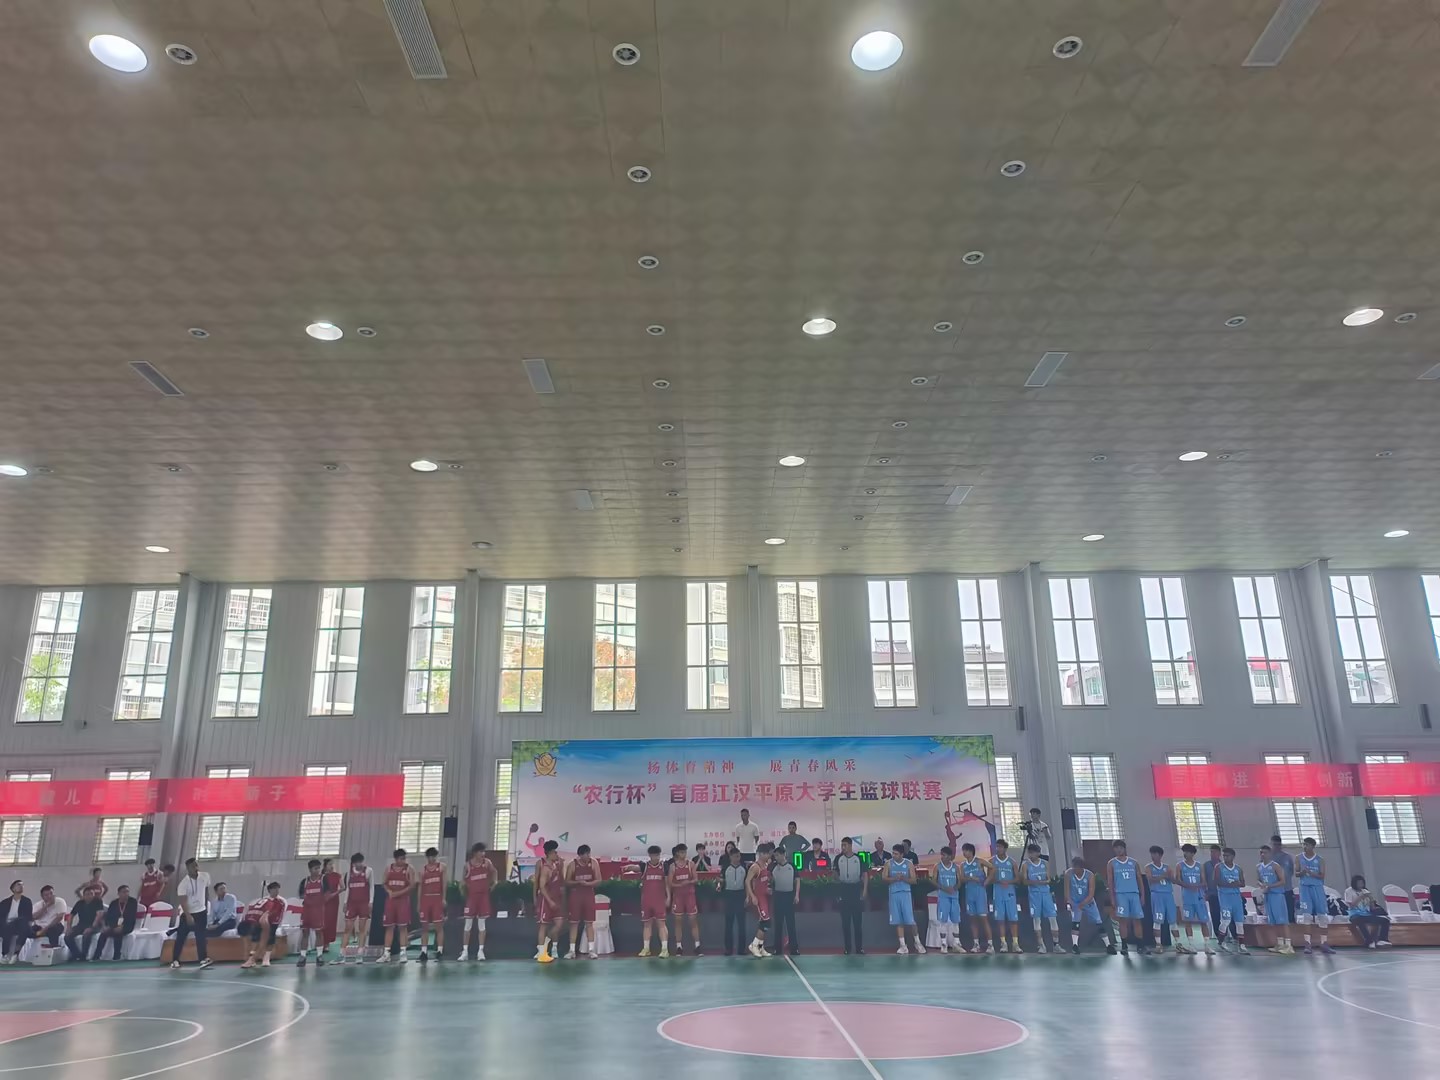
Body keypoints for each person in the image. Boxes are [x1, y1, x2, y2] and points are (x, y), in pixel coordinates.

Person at [1066, 857, 1116, 955]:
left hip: (1088, 902)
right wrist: (1070, 902)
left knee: (1098, 922)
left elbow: (1091, 893)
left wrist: (1083, 903)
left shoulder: (1090, 875)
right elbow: (1067, 891)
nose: (1074, 869)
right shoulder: (1068, 873)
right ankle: (1075, 946)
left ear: (1081, 867)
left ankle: (1108, 945)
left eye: (1077, 867)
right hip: (1075, 902)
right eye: (1073, 867)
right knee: (1075, 923)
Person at [1294, 837, 1333, 955]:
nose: (1305, 847)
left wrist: (1310, 873)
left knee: (1322, 916)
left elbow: (1322, 876)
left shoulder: (1320, 859)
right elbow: (1296, 874)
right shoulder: (1298, 858)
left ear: (1313, 846)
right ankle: (1307, 944)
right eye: (1304, 844)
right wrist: (1302, 872)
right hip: (1305, 888)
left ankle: (1324, 943)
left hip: (1317, 888)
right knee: (1306, 916)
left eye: (1307, 845)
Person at [884, 842, 925, 954]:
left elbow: (914, 880)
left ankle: (917, 943)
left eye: (896, 854)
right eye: (893, 853)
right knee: (898, 921)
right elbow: (884, 878)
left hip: (905, 894)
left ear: (902, 854)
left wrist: (903, 879)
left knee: (910, 920)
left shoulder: (908, 864)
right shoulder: (888, 864)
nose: (893, 855)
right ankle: (903, 945)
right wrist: (894, 878)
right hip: (894, 894)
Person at [172, 858, 213, 969]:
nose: (195, 868)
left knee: (201, 936)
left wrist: (205, 906)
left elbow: (206, 892)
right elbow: (183, 901)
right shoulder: (183, 884)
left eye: (196, 865)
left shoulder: (205, 876)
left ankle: (203, 959)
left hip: (201, 912)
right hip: (188, 913)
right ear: (188, 868)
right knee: (181, 937)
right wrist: (188, 915)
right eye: (192, 866)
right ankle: (175, 960)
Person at [1106, 840, 1145, 956]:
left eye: (1121, 848)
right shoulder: (1111, 863)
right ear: (1114, 849)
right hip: (1120, 894)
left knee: (1137, 920)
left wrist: (1142, 895)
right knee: (1123, 921)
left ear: (1124, 849)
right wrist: (1112, 898)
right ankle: (1124, 946)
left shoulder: (1134, 862)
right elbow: (1110, 882)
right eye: (1116, 848)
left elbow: (1139, 879)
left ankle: (1140, 945)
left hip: (1134, 894)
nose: (1119, 850)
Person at [1176, 845, 1216, 955]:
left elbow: (1204, 882)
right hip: (1187, 898)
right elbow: (1177, 880)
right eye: (1184, 852)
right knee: (1188, 921)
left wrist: (1198, 886)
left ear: (1193, 854)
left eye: (1187, 852)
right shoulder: (1180, 865)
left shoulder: (1199, 866)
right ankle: (1191, 945)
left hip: (1199, 897)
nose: (1185, 854)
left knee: (1203, 921)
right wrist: (1187, 885)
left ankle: (1207, 946)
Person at [380, 848, 415, 963]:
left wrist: (398, 893)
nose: (403, 861)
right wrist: (389, 891)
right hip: (391, 902)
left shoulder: (409, 869)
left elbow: (412, 885)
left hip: (403, 901)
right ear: (396, 859)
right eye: (401, 859)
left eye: (404, 858)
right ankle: (386, 954)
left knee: (402, 927)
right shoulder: (389, 868)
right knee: (389, 927)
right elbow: (384, 883)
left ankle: (403, 953)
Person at [1257, 844, 1294, 955]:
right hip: (1268, 896)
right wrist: (1261, 885)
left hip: (1277, 895)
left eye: (1265, 852)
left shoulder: (1275, 866)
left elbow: (1282, 881)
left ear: (1270, 854)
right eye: (1261, 852)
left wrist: (1270, 886)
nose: (1263, 854)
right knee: (1274, 922)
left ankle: (1289, 945)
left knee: (1282, 921)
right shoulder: (1258, 867)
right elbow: (1259, 880)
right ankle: (1280, 944)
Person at [462, 842, 496, 961]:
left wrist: (494, 883)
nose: (483, 854)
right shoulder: (467, 866)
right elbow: (463, 881)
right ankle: (465, 951)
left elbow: (494, 872)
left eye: (484, 851)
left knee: (482, 925)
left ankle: (480, 951)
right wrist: (465, 892)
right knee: (468, 925)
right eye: (481, 852)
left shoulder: (487, 863)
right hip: (472, 898)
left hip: (483, 898)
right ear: (475, 853)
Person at [239, 882, 285, 969]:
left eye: (277, 889)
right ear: (269, 890)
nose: (276, 891)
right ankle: (251, 959)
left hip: (273, 922)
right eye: (274, 889)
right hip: (261, 922)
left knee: (270, 940)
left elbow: (280, 913)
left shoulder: (281, 901)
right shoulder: (264, 900)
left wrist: (276, 923)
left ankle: (266, 958)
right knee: (255, 940)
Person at [534, 840, 566, 963]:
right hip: (546, 901)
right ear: (550, 853)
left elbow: (561, 879)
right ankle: (542, 953)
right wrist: (549, 901)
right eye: (555, 852)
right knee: (543, 926)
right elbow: (541, 887)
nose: (557, 854)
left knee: (559, 924)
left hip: (556, 899)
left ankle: (546, 944)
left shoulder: (557, 865)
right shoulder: (545, 868)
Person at [565, 843, 599, 959]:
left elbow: (599, 880)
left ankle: (591, 950)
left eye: (589, 854)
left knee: (589, 923)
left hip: (589, 895)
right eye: (585, 854)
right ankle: (571, 951)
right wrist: (578, 883)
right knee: (574, 923)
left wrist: (588, 884)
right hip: (576, 896)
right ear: (580, 855)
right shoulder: (572, 864)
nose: (588, 856)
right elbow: (567, 881)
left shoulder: (593, 863)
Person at [668, 843, 702, 956]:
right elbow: (670, 883)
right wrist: (680, 885)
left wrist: (688, 882)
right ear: (677, 853)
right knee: (678, 922)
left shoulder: (690, 864)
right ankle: (679, 947)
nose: (684, 854)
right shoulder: (673, 866)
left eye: (685, 852)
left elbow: (696, 879)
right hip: (678, 897)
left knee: (693, 920)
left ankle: (697, 946)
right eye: (682, 852)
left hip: (690, 896)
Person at [1024, 843, 1058, 954]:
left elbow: (1049, 879)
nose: (1030, 855)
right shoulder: (1026, 865)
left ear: (1038, 853)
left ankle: (1056, 944)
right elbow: (1024, 881)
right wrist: (1035, 882)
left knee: (1052, 918)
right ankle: (1041, 945)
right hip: (1034, 895)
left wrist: (1044, 882)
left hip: (1046, 894)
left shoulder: (1045, 863)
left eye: (1032, 853)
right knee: (1036, 919)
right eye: (1029, 853)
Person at [834, 836, 866, 954]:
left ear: (850, 845)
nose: (843, 847)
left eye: (845, 845)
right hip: (844, 890)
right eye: (842, 845)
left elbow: (865, 875)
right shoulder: (838, 858)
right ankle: (847, 948)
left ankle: (859, 948)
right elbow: (835, 874)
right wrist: (836, 876)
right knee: (845, 923)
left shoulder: (858, 858)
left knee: (857, 923)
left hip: (856, 890)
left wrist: (864, 891)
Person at [1215, 847, 1250, 953]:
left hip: (1236, 897)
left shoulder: (1238, 868)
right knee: (1226, 920)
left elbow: (1243, 883)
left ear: (1233, 856)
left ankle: (1242, 945)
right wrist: (1230, 884)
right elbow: (1217, 882)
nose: (1225, 857)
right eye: (1224, 855)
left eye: (1227, 856)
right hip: (1225, 897)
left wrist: (1237, 883)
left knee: (1239, 922)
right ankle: (1221, 941)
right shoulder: (1219, 867)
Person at [768, 839, 800, 956]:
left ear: (783, 855)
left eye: (777, 855)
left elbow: (797, 880)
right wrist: (769, 887)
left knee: (791, 924)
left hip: (789, 896)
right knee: (778, 924)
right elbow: (768, 880)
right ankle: (777, 949)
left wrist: (797, 895)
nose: (775, 857)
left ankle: (794, 948)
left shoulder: (792, 866)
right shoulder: (772, 867)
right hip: (778, 896)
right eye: (774, 856)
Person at [637, 844, 669, 958]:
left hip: (659, 901)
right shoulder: (644, 866)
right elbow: (634, 868)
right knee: (647, 924)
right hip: (646, 901)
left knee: (661, 924)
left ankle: (664, 949)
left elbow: (667, 884)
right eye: (654, 855)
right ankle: (646, 948)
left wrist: (668, 897)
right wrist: (627, 867)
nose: (656, 857)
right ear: (650, 856)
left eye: (658, 855)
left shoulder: (664, 866)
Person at [1343, 875, 1392, 948]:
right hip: (1355, 914)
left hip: (1367, 914)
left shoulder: (1365, 891)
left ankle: (1382, 939)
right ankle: (1369, 940)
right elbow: (1351, 906)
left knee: (1385, 920)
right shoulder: (1349, 891)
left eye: (1362, 883)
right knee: (1359, 920)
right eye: (1359, 883)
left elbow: (1372, 908)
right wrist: (1361, 896)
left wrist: (1371, 900)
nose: (1361, 885)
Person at [744, 842, 775, 958]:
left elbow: (763, 882)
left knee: (764, 923)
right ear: (761, 854)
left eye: (769, 854)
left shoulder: (765, 866)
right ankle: (754, 945)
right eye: (766, 854)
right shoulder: (755, 867)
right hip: (758, 898)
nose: (768, 856)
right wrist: (752, 896)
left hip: (765, 897)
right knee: (766, 922)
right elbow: (747, 881)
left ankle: (761, 948)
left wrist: (767, 889)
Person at [1145, 846, 1177, 954]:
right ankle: (1158, 944)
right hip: (1157, 894)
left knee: (1172, 920)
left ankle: (1178, 943)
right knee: (1157, 920)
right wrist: (1163, 876)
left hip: (1168, 894)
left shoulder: (1167, 867)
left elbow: (1173, 880)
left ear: (1160, 855)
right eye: (1152, 854)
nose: (1153, 856)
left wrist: (1170, 876)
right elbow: (1150, 879)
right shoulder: (1148, 867)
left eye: (1155, 854)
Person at [990, 839, 1020, 952]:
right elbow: (989, 877)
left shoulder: (1012, 862)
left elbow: (1017, 878)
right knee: (1000, 919)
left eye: (1000, 847)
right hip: (998, 893)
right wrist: (996, 879)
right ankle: (1003, 943)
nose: (998, 849)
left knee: (1013, 919)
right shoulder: (992, 861)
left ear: (1005, 848)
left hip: (1010, 893)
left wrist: (1008, 881)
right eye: (996, 846)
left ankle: (1015, 943)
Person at [341, 852, 373, 963]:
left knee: (362, 928)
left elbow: (371, 888)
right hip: (351, 904)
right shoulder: (349, 872)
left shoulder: (368, 871)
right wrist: (345, 902)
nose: (359, 864)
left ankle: (360, 953)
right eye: (356, 863)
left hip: (364, 903)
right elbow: (348, 888)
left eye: (360, 862)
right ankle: (342, 954)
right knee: (347, 928)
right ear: (353, 863)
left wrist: (371, 902)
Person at [297, 859, 329, 967]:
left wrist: (320, 903)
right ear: (310, 870)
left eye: (319, 868)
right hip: (306, 911)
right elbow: (301, 895)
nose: (318, 871)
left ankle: (319, 956)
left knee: (319, 933)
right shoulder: (305, 881)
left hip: (318, 911)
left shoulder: (323, 880)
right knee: (305, 933)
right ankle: (302, 956)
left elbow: (327, 894)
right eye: (315, 868)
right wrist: (308, 901)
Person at [417, 847, 446, 963]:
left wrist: (443, 898)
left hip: (437, 898)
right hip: (425, 899)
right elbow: (420, 886)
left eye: (434, 856)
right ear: (427, 857)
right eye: (430, 857)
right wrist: (419, 902)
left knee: (439, 926)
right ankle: (424, 952)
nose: (432, 859)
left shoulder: (442, 867)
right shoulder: (422, 870)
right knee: (424, 927)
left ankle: (440, 951)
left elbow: (444, 883)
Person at [961, 843, 992, 953]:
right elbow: (962, 879)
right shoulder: (963, 865)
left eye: (966, 850)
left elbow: (993, 868)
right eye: (963, 851)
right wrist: (970, 878)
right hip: (969, 893)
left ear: (971, 851)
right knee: (973, 919)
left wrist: (987, 881)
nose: (964, 853)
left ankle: (990, 945)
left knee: (983, 919)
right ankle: (976, 944)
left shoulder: (979, 861)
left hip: (980, 893)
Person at [97, 885, 138, 961]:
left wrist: (121, 926)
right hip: (114, 925)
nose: (126, 894)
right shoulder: (114, 903)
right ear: (119, 893)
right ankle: (97, 955)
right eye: (124, 892)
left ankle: (117, 956)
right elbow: (109, 916)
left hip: (127, 925)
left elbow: (131, 916)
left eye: (127, 892)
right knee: (103, 934)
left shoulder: (132, 902)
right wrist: (108, 926)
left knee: (118, 933)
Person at [64, 885, 105, 962]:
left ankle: (84, 955)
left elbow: (99, 915)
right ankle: (76, 954)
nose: (89, 896)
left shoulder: (98, 902)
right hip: (81, 925)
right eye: (87, 894)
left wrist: (92, 927)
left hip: (95, 925)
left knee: (86, 933)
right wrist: (68, 927)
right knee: (67, 936)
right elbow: (71, 915)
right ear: (84, 895)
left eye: (91, 894)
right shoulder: (79, 903)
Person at [934, 847, 961, 953]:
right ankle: (943, 944)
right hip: (943, 897)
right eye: (941, 854)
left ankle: (956, 943)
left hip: (954, 897)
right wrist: (944, 888)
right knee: (943, 920)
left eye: (944, 855)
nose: (942, 857)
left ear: (950, 856)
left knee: (955, 920)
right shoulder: (937, 866)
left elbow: (959, 881)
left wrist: (954, 888)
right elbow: (933, 881)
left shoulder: (956, 867)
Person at [0, 881, 33, 964]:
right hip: (7, 924)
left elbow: (28, 917)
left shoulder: (27, 901)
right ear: (13, 888)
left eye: (22, 885)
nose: (21, 886)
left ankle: (15, 953)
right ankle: (5, 954)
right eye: (18, 885)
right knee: (6, 927)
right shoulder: (4, 902)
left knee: (23, 924)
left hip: (20, 924)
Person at [29, 886, 68, 950]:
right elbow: (33, 917)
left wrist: (44, 930)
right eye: (46, 895)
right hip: (40, 926)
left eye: (51, 893)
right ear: (42, 896)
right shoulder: (39, 904)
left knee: (52, 930)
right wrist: (46, 906)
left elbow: (59, 918)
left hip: (55, 925)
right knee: (27, 930)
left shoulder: (60, 901)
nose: (49, 896)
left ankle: (54, 946)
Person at [1271, 834, 1297, 926]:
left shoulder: (1287, 857)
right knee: (1277, 915)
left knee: (1290, 914)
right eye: (1275, 844)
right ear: (1271, 845)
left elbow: (1291, 871)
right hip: (1273, 892)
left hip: (1287, 890)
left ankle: (1292, 931)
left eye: (1279, 845)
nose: (1277, 847)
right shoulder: (1267, 858)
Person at [1202, 844, 1224, 937]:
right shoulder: (1206, 865)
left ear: (1219, 853)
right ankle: (1218, 935)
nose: (1212, 854)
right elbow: (1204, 880)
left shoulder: (1223, 865)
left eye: (1214, 852)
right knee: (1215, 915)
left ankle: (1226, 934)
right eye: (1211, 852)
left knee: (1226, 916)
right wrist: (1206, 892)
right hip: (1212, 894)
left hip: (1223, 894)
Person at [321, 858, 342, 951]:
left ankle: (327, 943)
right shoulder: (322, 876)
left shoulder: (337, 875)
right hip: (323, 901)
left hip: (334, 901)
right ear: (325, 866)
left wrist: (336, 893)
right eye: (329, 864)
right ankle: (320, 942)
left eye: (332, 864)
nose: (332, 866)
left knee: (331, 922)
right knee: (323, 922)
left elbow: (343, 887)